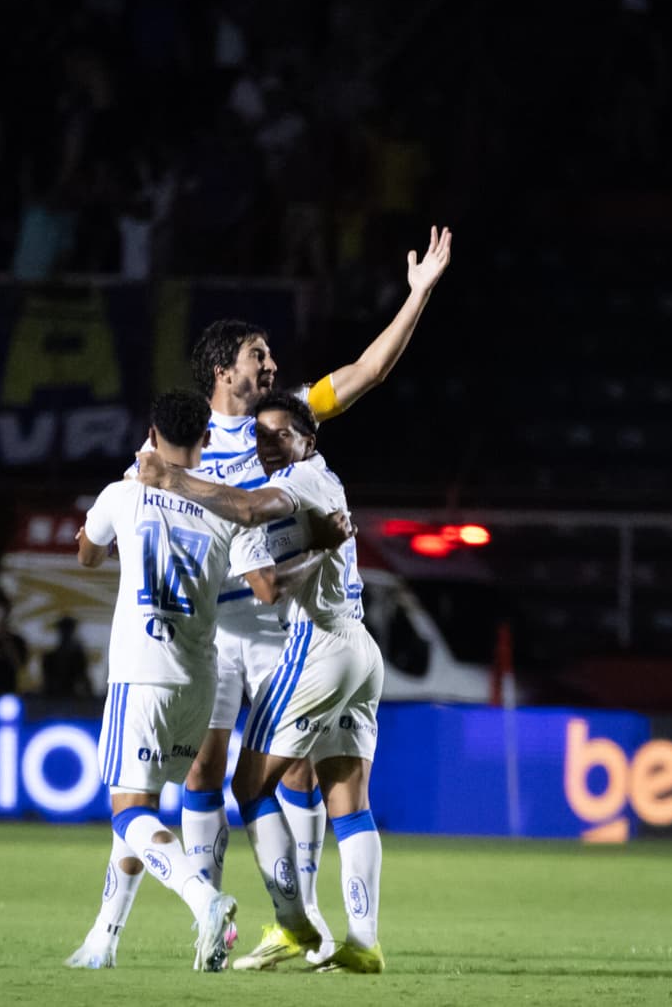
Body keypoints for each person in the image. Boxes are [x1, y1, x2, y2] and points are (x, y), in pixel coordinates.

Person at [104, 223, 451, 966]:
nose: (274, 364)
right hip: (216, 635)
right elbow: (145, 513)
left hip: (287, 627)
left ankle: (300, 918)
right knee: (208, 774)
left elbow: (366, 371)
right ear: (226, 371)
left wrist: (418, 293)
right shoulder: (181, 439)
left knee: (295, 774)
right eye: (260, 355)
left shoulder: (289, 421)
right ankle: (215, 923)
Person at [137, 391, 385, 974]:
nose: (269, 445)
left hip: (318, 644)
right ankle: (364, 941)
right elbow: (276, 572)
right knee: (348, 802)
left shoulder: (302, 479)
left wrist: (171, 478)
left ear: (309, 440)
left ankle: (294, 923)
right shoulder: (319, 491)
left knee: (248, 787)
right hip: (360, 647)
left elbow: (250, 515)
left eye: (281, 434)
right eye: (261, 437)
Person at [66, 388, 278, 973]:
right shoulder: (223, 507)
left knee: (129, 813)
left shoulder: (124, 493)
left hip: (142, 673)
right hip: (198, 683)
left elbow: (86, 555)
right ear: (206, 440)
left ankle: (205, 901)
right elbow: (262, 578)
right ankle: (104, 938)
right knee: (144, 808)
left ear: (151, 435)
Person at [42, 615, 93, 698]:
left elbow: (84, 679)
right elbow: (47, 683)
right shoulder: (50, 658)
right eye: (65, 630)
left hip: (73, 699)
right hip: (54, 699)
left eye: (69, 630)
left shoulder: (78, 657)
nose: (66, 633)